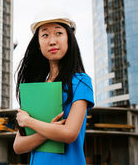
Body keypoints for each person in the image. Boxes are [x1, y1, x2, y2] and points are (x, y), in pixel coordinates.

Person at [13, 12, 94, 164]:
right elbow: (18, 146)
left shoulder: (81, 82)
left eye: (58, 33)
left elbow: (69, 133)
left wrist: (29, 122)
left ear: (69, 38)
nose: (52, 41)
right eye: (45, 35)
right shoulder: (36, 88)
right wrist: (48, 131)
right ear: (38, 43)